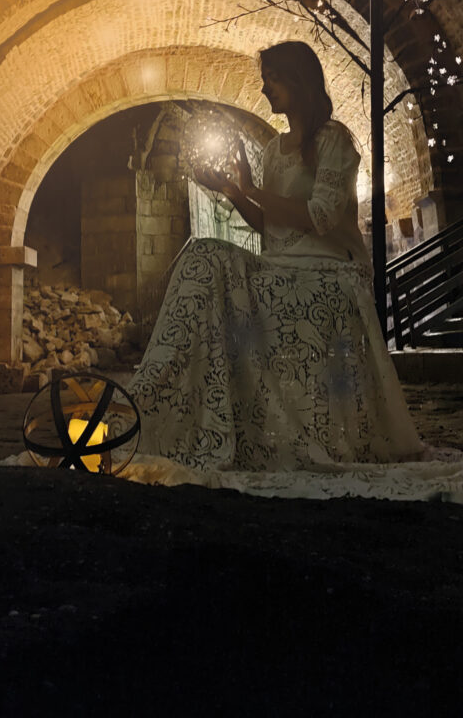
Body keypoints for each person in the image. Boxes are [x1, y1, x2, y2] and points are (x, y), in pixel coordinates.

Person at [125, 41, 425, 474]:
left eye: (272, 80)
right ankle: (163, 396)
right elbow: (271, 228)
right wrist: (233, 192)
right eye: (264, 81)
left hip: (330, 272)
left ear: (297, 80)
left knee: (209, 256)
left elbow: (320, 216)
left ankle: (155, 391)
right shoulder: (272, 151)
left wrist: (250, 190)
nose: (265, 90)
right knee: (203, 255)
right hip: (281, 267)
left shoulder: (334, 140)